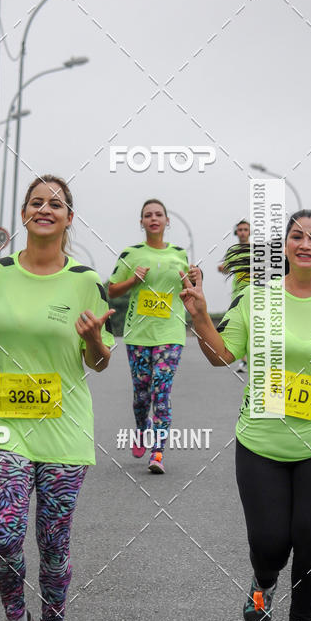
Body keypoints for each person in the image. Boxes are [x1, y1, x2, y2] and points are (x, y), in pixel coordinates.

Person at [181, 210, 311, 621]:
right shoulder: (256, 300)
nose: (305, 243)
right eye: (296, 235)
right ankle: (263, 583)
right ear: (285, 247)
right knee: (270, 541)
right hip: (262, 442)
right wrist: (201, 318)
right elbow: (223, 356)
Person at [0, 174, 114, 621]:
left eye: (56, 204)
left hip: (65, 431)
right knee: (4, 538)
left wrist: (94, 340)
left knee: (53, 543)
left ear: (69, 218)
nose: (45, 209)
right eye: (36, 202)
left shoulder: (87, 282)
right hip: (6, 426)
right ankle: (16, 620)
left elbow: (99, 363)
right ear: (25, 213)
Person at [108, 199, 189, 473]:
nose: (153, 218)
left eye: (158, 214)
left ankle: (157, 453)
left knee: (161, 392)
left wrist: (195, 280)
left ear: (168, 221)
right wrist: (133, 281)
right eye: (147, 215)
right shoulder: (130, 254)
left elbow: (188, 290)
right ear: (141, 222)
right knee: (141, 395)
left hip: (171, 332)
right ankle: (142, 429)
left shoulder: (180, 254)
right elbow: (111, 291)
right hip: (139, 334)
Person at [218, 220, 251, 374]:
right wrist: (222, 268)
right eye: (240, 230)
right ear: (236, 233)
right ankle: (244, 361)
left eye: (245, 229)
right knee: (243, 328)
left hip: (256, 294)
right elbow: (226, 269)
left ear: (250, 232)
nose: (243, 232)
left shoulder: (257, 250)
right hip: (238, 295)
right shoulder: (233, 251)